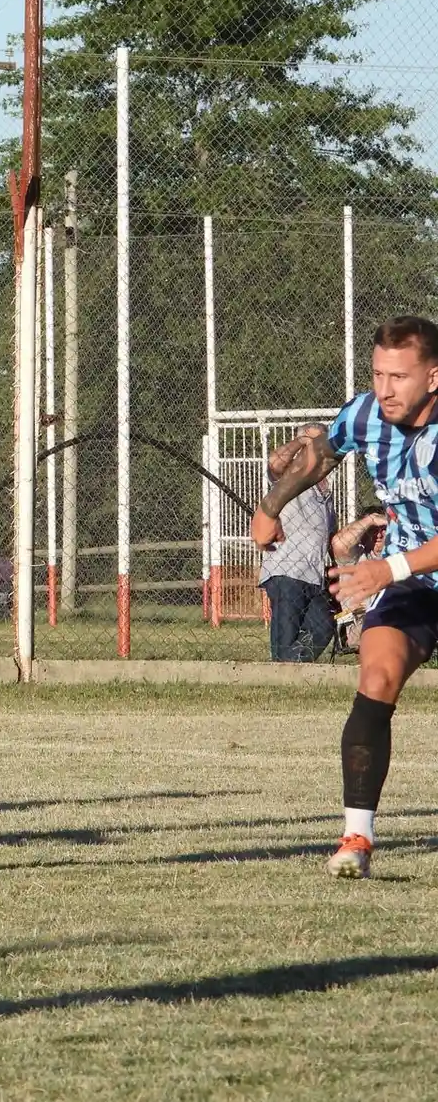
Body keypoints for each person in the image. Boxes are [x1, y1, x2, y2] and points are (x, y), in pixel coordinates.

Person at [251, 315, 438, 882]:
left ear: (433, 377)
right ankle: (357, 835)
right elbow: (321, 455)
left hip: (399, 568)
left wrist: (387, 567)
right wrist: (271, 505)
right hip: (410, 582)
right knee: (375, 678)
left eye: (399, 378)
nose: (385, 389)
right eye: (378, 374)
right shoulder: (366, 413)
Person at [259, 424, 336, 663]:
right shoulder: (291, 476)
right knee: (286, 638)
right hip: (287, 571)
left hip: (314, 574)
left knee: (324, 625)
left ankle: (292, 666)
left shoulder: (325, 487)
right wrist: (301, 442)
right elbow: (275, 464)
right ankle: (284, 670)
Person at [329, 506, 390, 655]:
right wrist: (370, 520)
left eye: (383, 529)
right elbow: (339, 544)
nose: (379, 535)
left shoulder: (396, 556)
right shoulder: (355, 557)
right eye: (373, 530)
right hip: (361, 619)